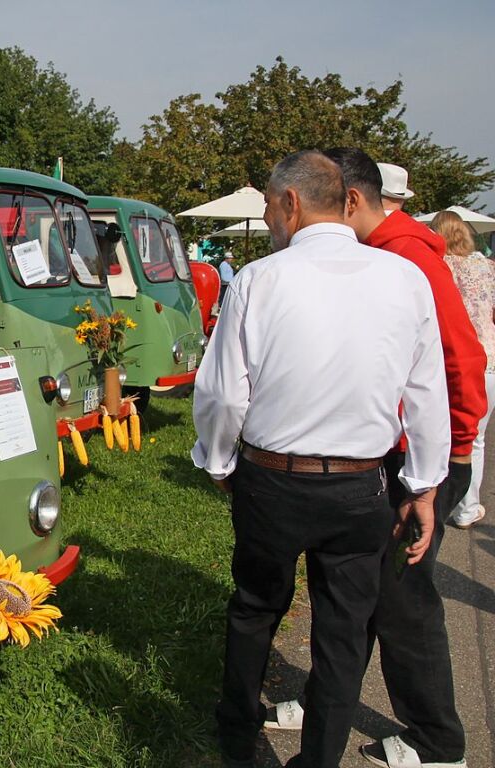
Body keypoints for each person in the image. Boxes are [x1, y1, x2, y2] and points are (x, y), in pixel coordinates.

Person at [193, 150, 449, 768]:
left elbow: (225, 392)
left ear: (292, 203)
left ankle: (237, 736)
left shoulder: (259, 279)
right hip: (361, 485)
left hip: (274, 478)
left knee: (256, 607)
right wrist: (423, 486)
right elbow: (426, 395)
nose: (270, 220)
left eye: (269, 207)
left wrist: (221, 462)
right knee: (340, 634)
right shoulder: (404, 278)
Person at [266, 148, 485, 768]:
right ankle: (325, 699)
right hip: (398, 458)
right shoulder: (384, 255)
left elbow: (459, 363)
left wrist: (449, 458)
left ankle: (438, 740)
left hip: (421, 460)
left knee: (401, 601)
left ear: (350, 201)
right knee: (354, 591)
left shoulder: (406, 258)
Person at [431, 209, 495, 529]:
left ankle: (440, 497)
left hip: (452, 358)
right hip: (490, 360)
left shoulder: (439, 267)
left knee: (444, 432)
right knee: (476, 438)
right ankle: (468, 505)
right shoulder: (487, 267)